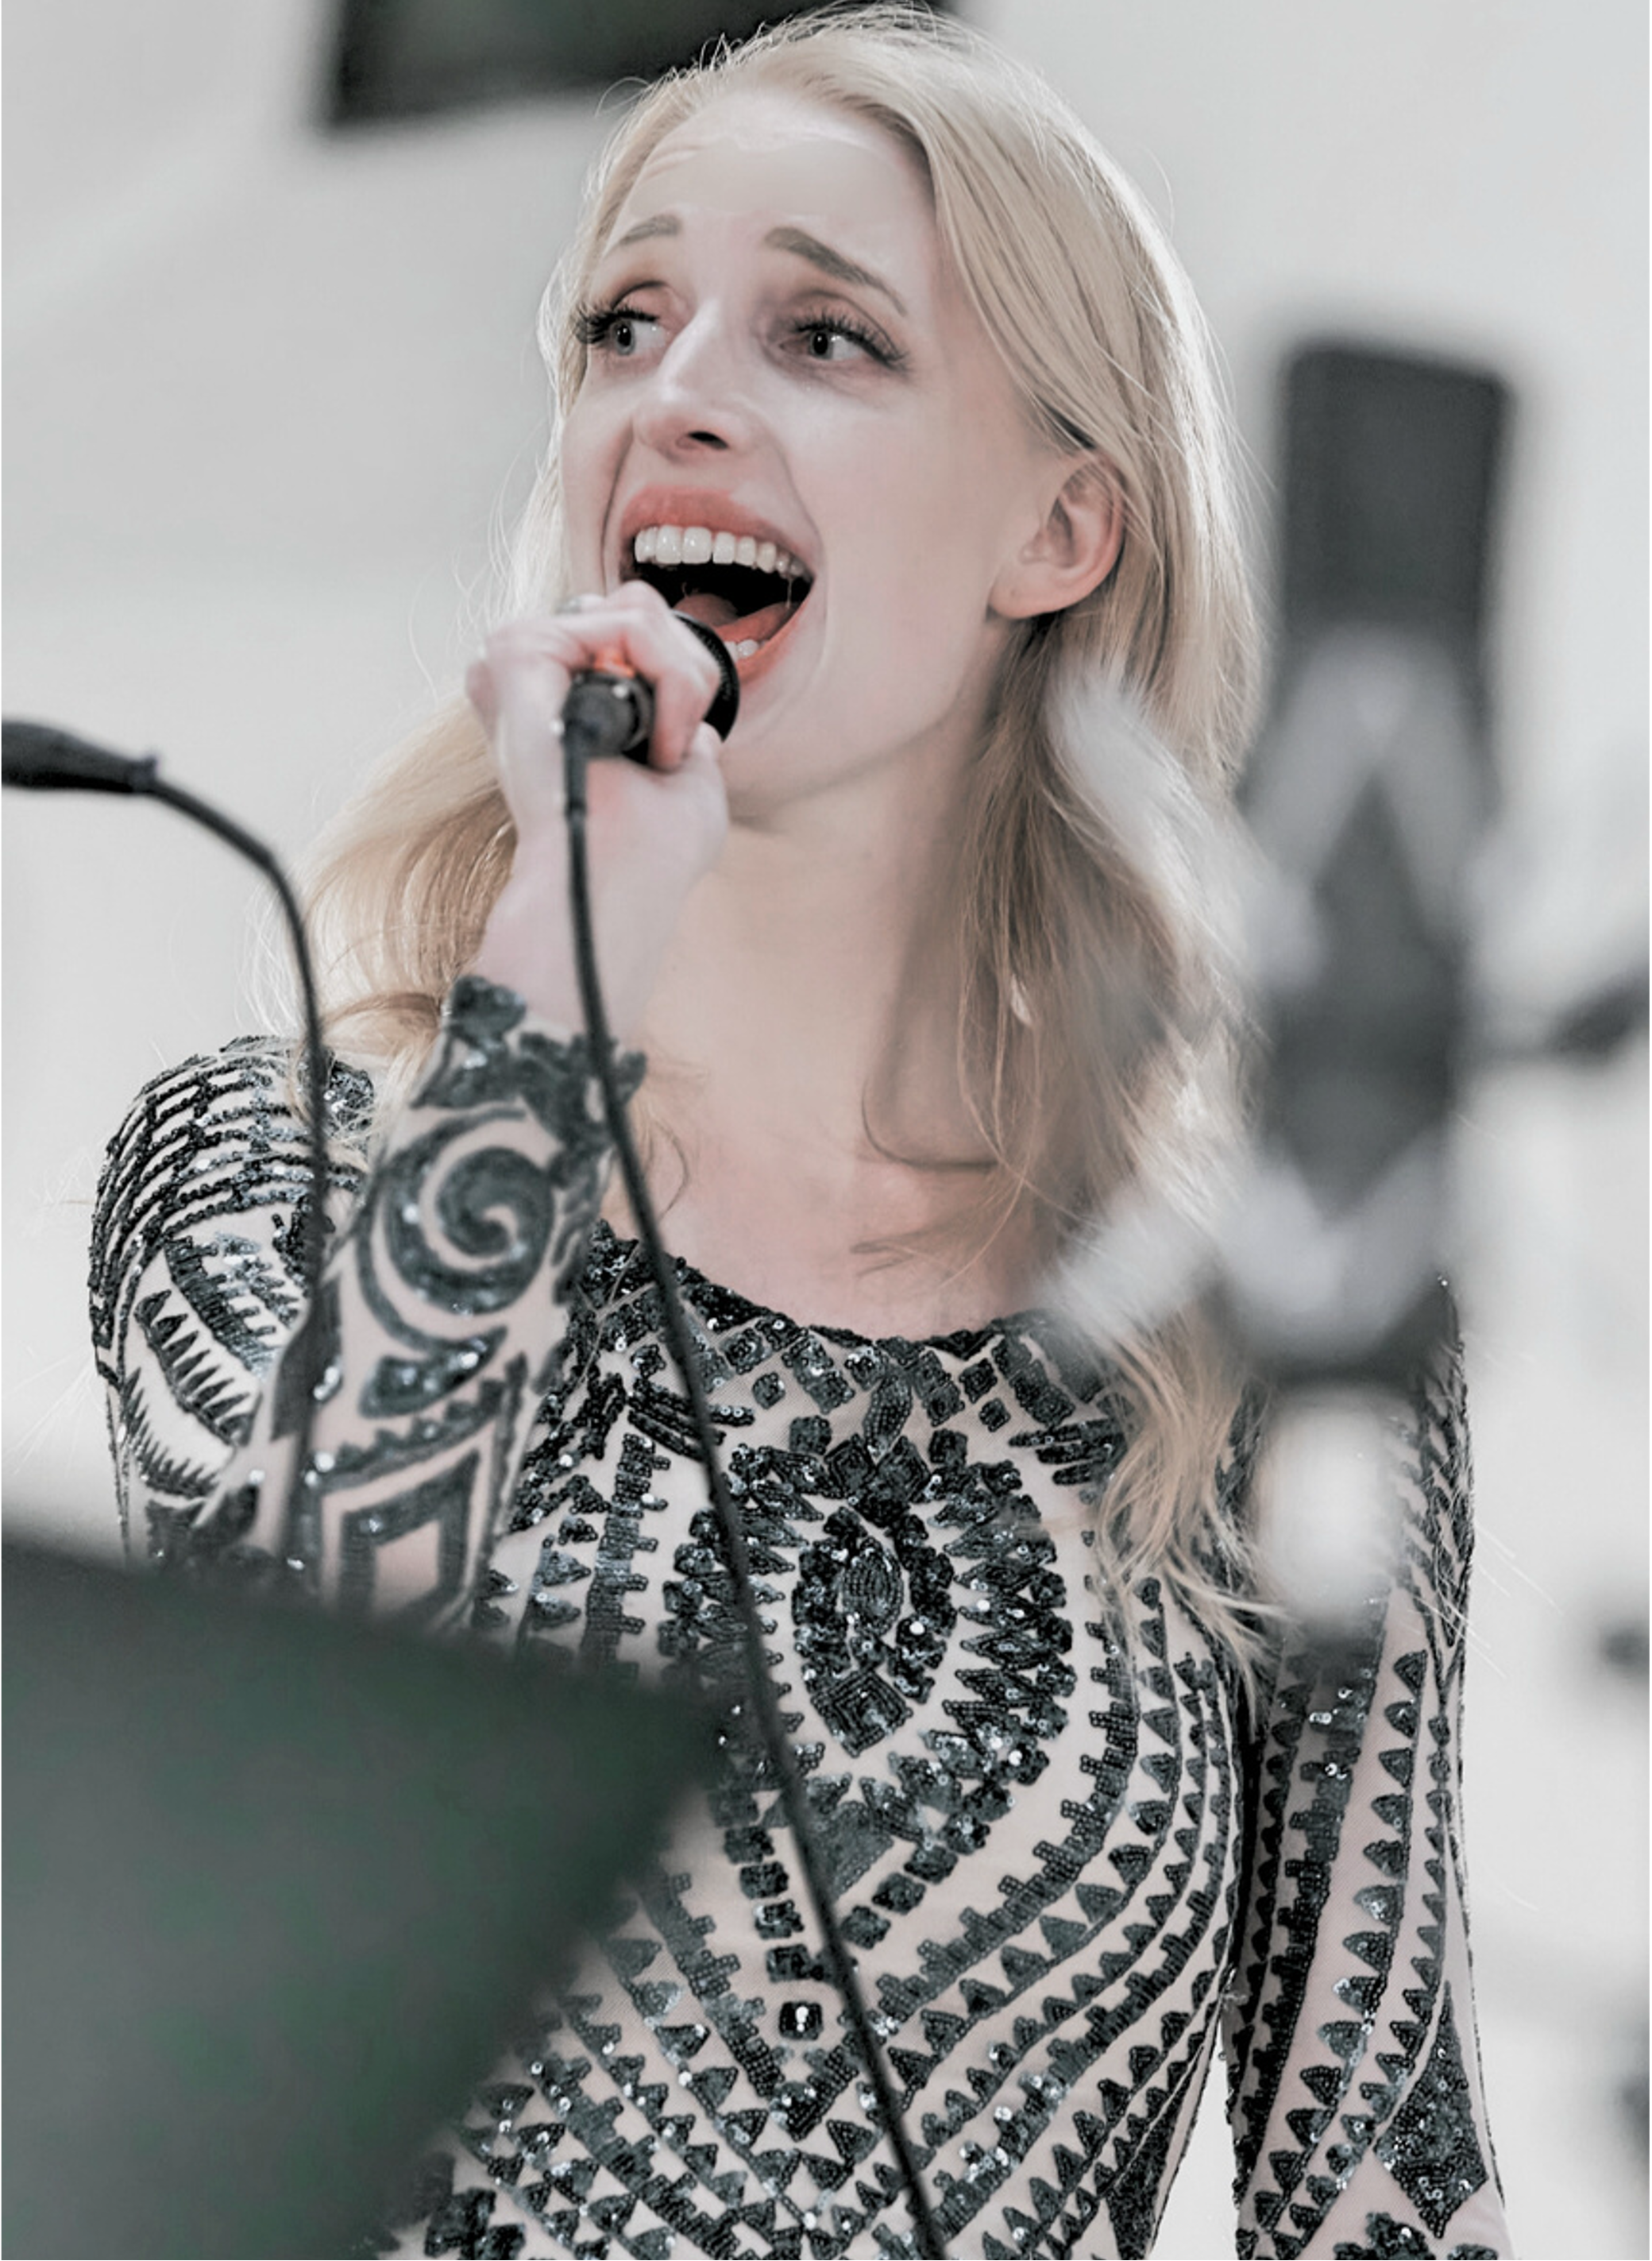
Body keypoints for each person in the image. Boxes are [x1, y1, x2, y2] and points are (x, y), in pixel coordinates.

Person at [89, 10, 1511, 2256]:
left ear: (1060, 528)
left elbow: (1382, 2166)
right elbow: (248, 1833)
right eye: (623, 324)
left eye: (826, 335)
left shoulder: (1262, 1307)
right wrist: (565, 950)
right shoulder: (278, 1166)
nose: (676, 395)